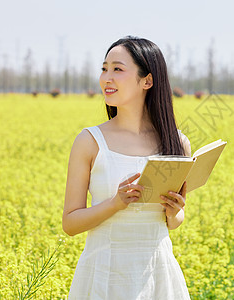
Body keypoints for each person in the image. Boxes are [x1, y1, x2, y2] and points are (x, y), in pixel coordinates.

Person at [62, 36, 191, 299]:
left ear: (147, 81)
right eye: (104, 68)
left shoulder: (177, 143)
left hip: (159, 274)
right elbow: (70, 223)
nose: (106, 78)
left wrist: (175, 211)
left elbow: (174, 223)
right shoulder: (89, 142)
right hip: (104, 273)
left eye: (117, 69)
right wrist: (115, 203)